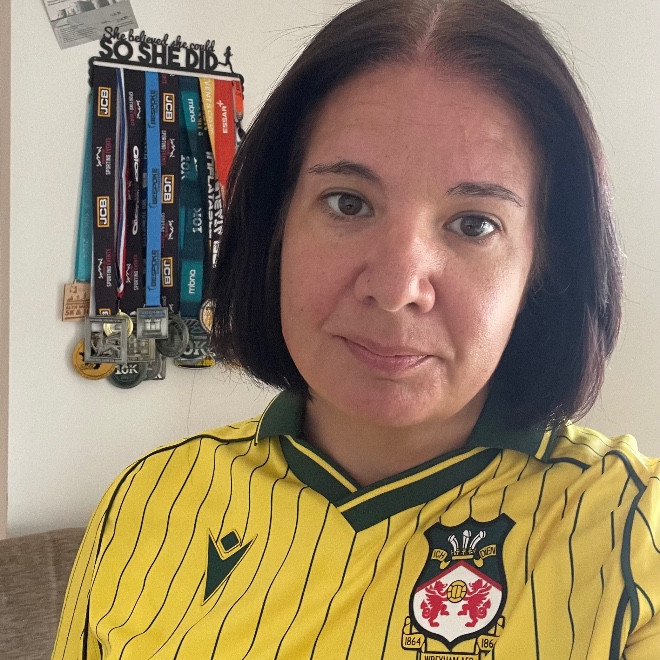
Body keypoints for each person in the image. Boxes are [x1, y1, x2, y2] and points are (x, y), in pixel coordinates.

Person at [53, 0, 660, 658]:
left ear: (543, 264)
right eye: (348, 203)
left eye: (474, 223)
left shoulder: (634, 535)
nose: (397, 288)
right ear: (277, 225)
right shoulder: (146, 499)